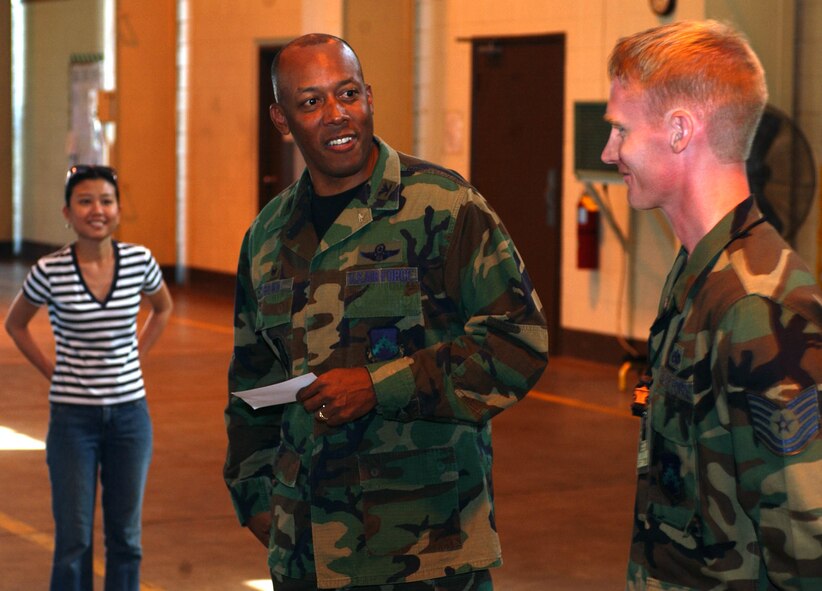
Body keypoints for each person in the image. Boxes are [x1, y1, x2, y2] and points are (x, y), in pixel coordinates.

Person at [224, 33, 548, 590]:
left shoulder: (445, 208)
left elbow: (518, 342)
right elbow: (254, 379)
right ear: (281, 120)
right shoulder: (268, 237)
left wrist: (381, 385)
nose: (336, 114)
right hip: (305, 549)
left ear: (369, 97)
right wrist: (255, 497)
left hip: (427, 549)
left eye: (347, 93)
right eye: (311, 102)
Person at [601, 20, 822, 590]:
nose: (609, 152)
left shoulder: (757, 308)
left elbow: (806, 548)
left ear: (680, 131)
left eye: (621, 130)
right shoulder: (698, 275)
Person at [4, 164, 173, 591]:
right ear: (67, 211)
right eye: (85, 201)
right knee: (74, 540)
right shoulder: (50, 270)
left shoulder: (139, 261)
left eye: (106, 200)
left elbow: (163, 307)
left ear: (117, 210)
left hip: (130, 418)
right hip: (72, 421)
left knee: (126, 539)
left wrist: (138, 352)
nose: (96, 209)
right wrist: (52, 370)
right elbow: (16, 324)